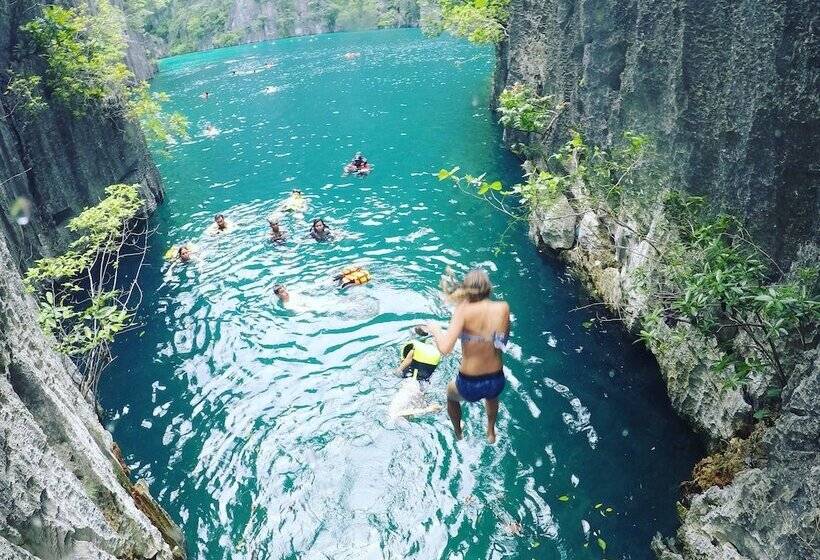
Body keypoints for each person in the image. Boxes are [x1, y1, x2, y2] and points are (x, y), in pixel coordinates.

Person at [425, 268, 510, 444]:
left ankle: (458, 431)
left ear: (466, 289)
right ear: (488, 288)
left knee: (450, 393)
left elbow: (445, 348)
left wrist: (435, 330)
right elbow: (501, 344)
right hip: (497, 380)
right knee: (492, 397)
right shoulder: (503, 307)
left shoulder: (463, 310)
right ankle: (491, 431)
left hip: (470, 384)